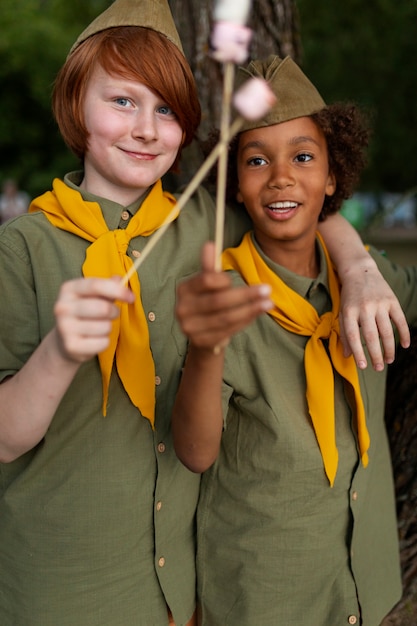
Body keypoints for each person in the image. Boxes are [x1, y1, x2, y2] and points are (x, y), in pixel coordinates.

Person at [0, 1, 409, 623]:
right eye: (122, 102)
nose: (144, 128)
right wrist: (59, 353)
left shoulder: (206, 227)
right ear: (74, 105)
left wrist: (357, 268)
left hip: (178, 591)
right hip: (61, 584)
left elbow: (300, 207)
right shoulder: (22, 249)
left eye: (165, 110)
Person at [172, 55, 417, 626]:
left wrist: (357, 264)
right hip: (265, 595)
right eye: (257, 161)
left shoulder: (372, 283)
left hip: (364, 587)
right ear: (235, 183)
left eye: (303, 157)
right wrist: (207, 350)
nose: (281, 176)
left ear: (333, 176)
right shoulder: (222, 297)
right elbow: (195, 451)